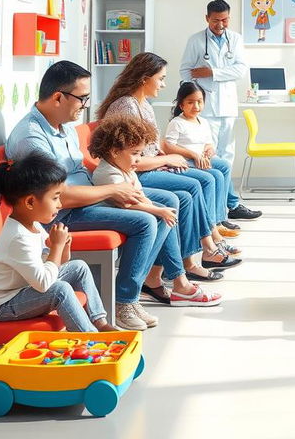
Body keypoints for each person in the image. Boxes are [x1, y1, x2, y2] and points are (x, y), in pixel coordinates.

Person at [5, 60, 178, 331]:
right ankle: (125, 301)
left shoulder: (64, 127)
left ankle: (141, 283)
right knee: (145, 222)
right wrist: (113, 189)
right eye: (82, 98)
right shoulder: (31, 138)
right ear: (58, 97)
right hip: (61, 213)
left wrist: (116, 181)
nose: (85, 105)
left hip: (88, 198)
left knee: (166, 203)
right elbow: (57, 198)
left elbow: (81, 168)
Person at [98, 52, 242, 278]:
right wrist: (165, 159)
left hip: (150, 166)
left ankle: (204, 249)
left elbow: (151, 146)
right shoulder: (126, 107)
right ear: (145, 78)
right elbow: (130, 161)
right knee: (197, 184)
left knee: (201, 180)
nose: (164, 84)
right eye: (161, 78)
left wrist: (165, 156)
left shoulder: (142, 104)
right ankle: (207, 248)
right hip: (136, 174)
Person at [90, 115, 221, 308]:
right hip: (117, 212)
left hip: (126, 208)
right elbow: (128, 204)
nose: (138, 159)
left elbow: (138, 197)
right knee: (161, 215)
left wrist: (158, 209)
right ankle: (167, 282)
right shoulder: (108, 173)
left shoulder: (125, 168)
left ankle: (172, 279)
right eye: (135, 154)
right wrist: (157, 210)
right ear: (115, 152)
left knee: (167, 210)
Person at [0, 152, 114, 333]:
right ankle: (90, 337)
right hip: (3, 306)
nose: (59, 204)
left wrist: (63, 246)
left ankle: (100, 322)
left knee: (79, 267)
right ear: (30, 202)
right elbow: (44, 283)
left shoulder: (32, 224)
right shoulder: (17, 237)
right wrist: (56, 248)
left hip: (25, 289)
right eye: (55, 197)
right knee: (60, 290)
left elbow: (59, 263)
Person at [179, 0, 262, 222]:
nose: (221, 24)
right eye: (216, 20)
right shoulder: (195, 40)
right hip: (204, 108)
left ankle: (228, 205)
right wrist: (197, 91)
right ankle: (220, 210)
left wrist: (211, 72)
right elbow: (186, 71)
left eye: (225, 19)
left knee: (228, 158)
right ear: (207, 18)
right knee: (211, 158)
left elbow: (240, 70)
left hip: (227, 106)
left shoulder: (235, 39)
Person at [164, 81, 239, 231]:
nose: (196, 106)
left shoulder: (203, 122)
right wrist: (193, 154)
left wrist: (209, 150)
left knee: (223, 166)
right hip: (186, 161)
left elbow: (208, 143)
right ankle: (213, 223)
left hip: (201, 159)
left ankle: (220, 218)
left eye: (199, 102)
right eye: (190, 102)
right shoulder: (177, 123)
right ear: (181, 105)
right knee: (215, 176)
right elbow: (167, 147)